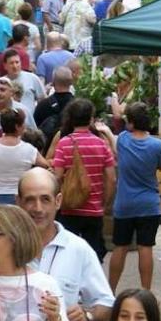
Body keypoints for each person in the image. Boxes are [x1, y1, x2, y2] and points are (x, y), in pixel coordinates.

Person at [16, 167, 115, 321]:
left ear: (58, 201)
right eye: (30, 200)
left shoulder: (78, 249)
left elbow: (106, 304)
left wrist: (87, 316)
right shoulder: (4, 246)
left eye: (45, 199)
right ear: (19, 202)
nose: (38, 208)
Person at [108, 103, 161, 292]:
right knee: (146, 247)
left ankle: (110, 290)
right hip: (149, 204)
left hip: (125, 204)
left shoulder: (123, 140)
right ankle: (146, 291)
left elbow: (117, 117)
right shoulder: (157, 145)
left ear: (132, 122)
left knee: (120, 247)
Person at [52, 99, 117, 262]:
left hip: (69, 208)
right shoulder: (101, 144)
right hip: (94, 210)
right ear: (91, 119)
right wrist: (106, 203)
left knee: (67, 255)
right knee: (93, 256)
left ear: (71, 119)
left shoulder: (64, 143)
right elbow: (112, 178)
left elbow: (57, 176)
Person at [0, 108, 49, 206]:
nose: (25, 126)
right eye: (23, 124)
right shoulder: (28, 149)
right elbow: (45, 165)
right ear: (17, 127)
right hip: (20, 194)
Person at [0, 48, 45, 114]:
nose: (15, 66)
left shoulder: (32, 78)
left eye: (17, 62)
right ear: (5, 66)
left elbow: (42, 99)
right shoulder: (1, 82)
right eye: (11, 63)